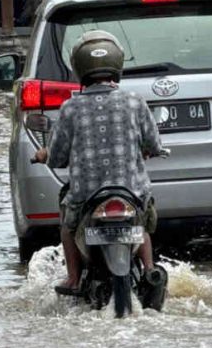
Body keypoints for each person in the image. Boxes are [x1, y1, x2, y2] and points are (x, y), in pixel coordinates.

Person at [32, 30, 164, 292]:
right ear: (117, 64)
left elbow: (57, 157)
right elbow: (153, 144)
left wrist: (44, 154)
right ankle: (150, 270)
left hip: (86, 196)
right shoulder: (135, 101)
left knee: (67, 223)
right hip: (130, 192)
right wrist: (149, 151)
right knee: (142, 220)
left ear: (79, 68)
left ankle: (72, 278)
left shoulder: (70, 107)